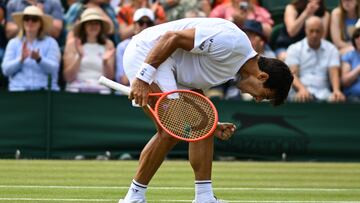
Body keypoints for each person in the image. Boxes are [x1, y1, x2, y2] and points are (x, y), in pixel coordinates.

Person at [118, 17, 293, 203]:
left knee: (205, 123)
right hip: (147, 54)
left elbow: (194, 87)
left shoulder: (232, 66)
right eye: (264, 95)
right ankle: (133, 198)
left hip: (171, 67)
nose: (258, 100)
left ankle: (204, 198)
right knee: (170, 132)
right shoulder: (232, 43)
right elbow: (172, 38)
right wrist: (143, 78)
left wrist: (210, 122)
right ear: (262, 76)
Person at [286, 16, 345, 103]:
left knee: (337, 99)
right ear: (306, 30)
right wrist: (302, 89)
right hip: (300, 91)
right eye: (311, 31)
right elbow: (292, 74)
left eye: (318, 31)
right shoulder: (294, 48)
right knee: (298, 99)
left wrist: (336, 90)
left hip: (324, 93)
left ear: (322, 32)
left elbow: (334, 73)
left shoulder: (331, 49)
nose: (314, 35)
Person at [1, 5, 61, 91]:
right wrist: (20, 60)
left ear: (41, 23)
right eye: (26, 18)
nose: (30, 22)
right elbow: (6, 70)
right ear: (23, 22)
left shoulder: (51, 43)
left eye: (34, 19)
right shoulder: (13, 43)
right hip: (19, 92)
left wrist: (39, 59)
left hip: (44, 93)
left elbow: (54, 69)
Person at [63, 7, 115, 93]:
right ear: (83, 26)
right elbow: (68, 78)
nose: (93, 26)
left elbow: (110, 78)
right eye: (90, 23)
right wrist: (80, 57)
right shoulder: (72, 44)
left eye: (96, 23)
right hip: (76, 89)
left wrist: (105, 62)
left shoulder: (108, 44)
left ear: (100, 26)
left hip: (101, 89)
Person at [116, 8, 155, 86]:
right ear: (134, 26)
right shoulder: (122, 47)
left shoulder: (159, 46)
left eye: (149, 23)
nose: (145, 26)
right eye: (141, 23)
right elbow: (123, 80)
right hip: (127, 92)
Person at [209, 0, 273, 39]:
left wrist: (246, 22)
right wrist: (232, 21)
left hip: (256, 48)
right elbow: (211, 30)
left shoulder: (258, 11)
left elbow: (269, 33)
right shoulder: (221, 10)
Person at [341, 26, 360, 101]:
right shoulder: (349, 56)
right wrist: (358, 69)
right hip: (354, 96)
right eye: (357, 37)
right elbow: (345, 82)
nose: (359, 39)